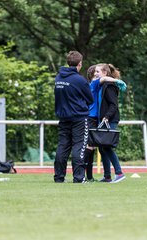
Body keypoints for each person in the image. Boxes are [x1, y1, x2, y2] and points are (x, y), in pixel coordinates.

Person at [54, 51, 93, 183]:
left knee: (62, 147)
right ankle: (79, 177)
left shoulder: (58, 78)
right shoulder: (79, 80)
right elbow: (90, 99)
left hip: (63, 117)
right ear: (80, 64)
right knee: (79, 146)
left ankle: (59, 177)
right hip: (79, 118)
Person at [83, 65, 127, 182]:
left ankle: (119, 173)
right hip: (102, 119)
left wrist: (107, 117)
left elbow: (113, 105)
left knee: (106, 147)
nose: (95, 73)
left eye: (98, 71)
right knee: (102, 148)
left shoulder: (109, 86)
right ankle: (107, 176)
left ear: (104, 73)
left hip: (110, 119)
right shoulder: (101, 85)